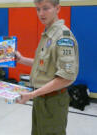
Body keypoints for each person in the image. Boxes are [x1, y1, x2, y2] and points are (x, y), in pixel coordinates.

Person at [16, 0, 79, 135]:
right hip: (41, 98)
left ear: (57, 8)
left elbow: (65, 78)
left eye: (45, 8)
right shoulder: (49, 33)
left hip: (52, 101)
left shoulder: (63, 37)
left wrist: (32, 94)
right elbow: (45, 64)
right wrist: (21, 60)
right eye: (38, 9)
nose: (41, 13)